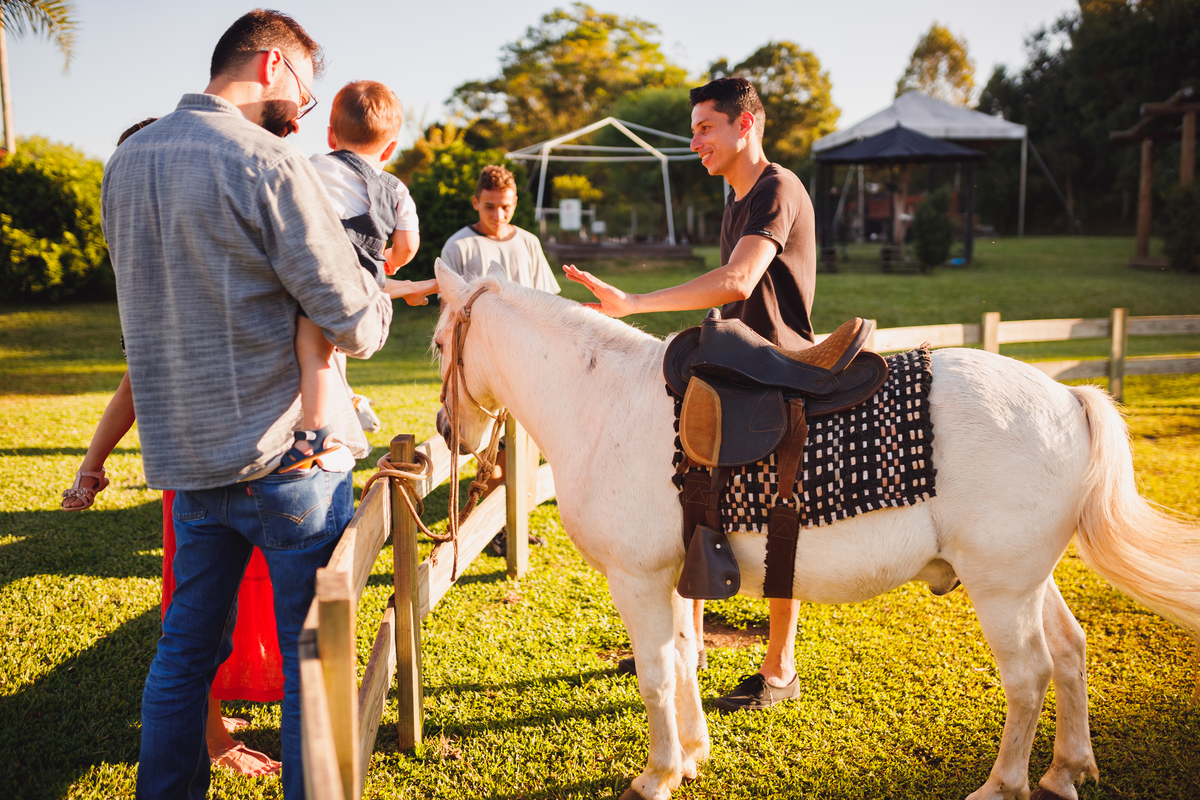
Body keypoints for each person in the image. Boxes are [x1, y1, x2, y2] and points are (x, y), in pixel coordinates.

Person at [102, 10, 392, 799]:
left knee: (184, 651)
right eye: (303, 84)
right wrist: (377, 286)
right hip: (288, 460)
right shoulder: (264, 158)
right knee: (313, 655)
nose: (303, 105)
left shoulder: (125, 165)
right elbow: (354, 322)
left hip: (186, 461)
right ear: (270, 66)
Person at [564, 77, 816, 713]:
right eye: (696, 128)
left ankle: (780, 667)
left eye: (707, 127)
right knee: (696, 494)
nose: (696, 141)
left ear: (745, 125)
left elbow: (738, 281)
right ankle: (692, 643)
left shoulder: (776, 189)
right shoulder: (734, 202)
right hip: (734, 364)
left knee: (776, 512)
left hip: (775, 369)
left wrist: (636, 305)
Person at [299, 79, 437, 446]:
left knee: (313, 348)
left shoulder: (311, 168)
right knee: (332, 348)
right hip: (366, 304)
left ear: (331, 136)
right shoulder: (396, 190)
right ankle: (341, 408)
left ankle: (315, 429)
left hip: (318, 287)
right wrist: (389, 261)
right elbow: (408, 246)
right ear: (390, 148)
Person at [440, 165, 559, 554]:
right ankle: (492, 529)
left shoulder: (527, 243)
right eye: (490, 207)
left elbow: (547, 299)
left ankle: (515, 521)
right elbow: (450, 314)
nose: (498, 215)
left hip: (527, 360)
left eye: (505, 207)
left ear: (514, 204)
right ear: (477, 202)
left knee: (523, 447)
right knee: (490, 447)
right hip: (482, 365)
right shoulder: (459, 247)